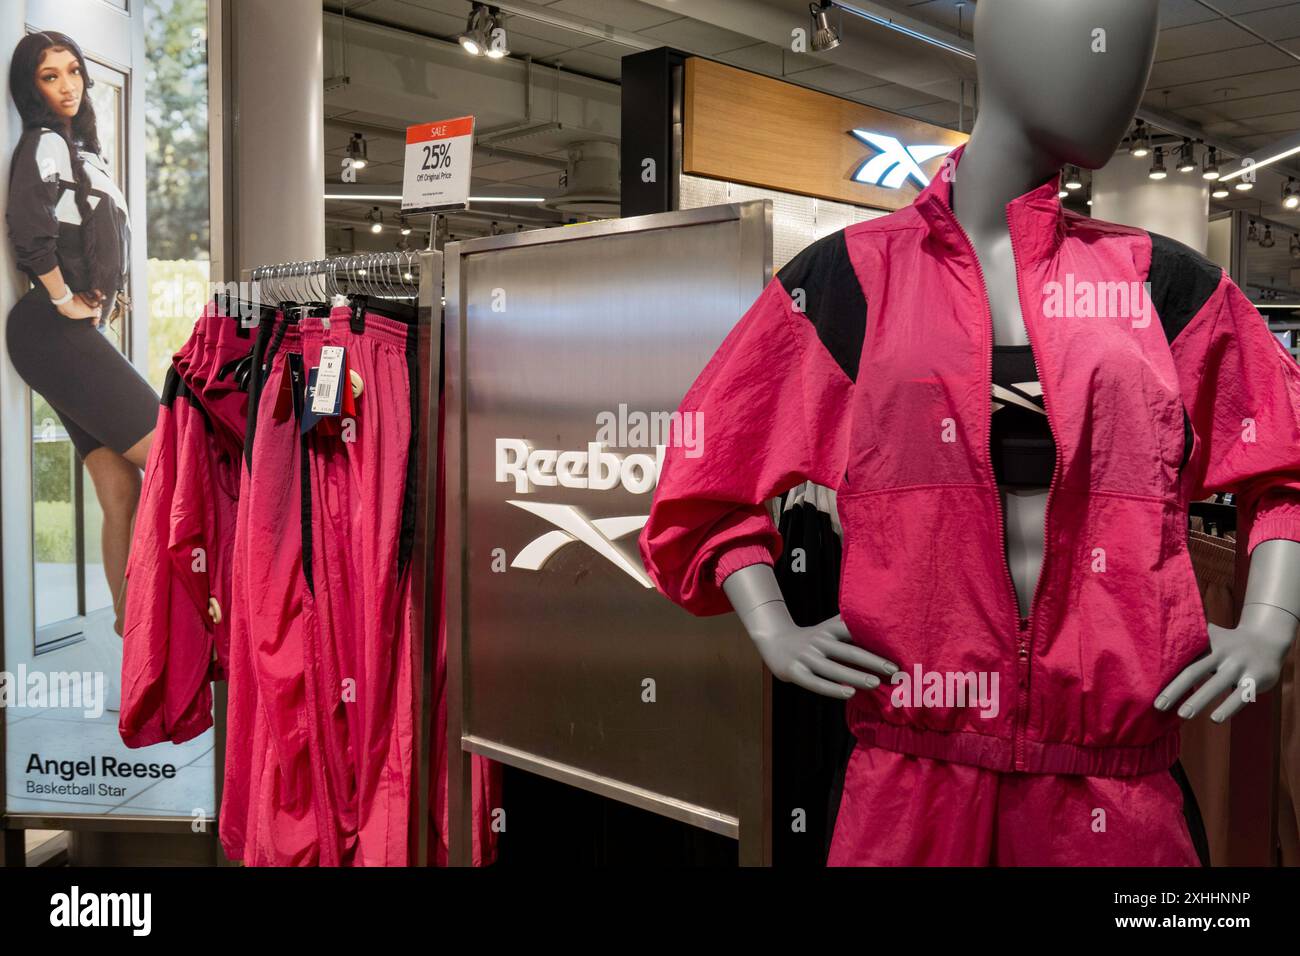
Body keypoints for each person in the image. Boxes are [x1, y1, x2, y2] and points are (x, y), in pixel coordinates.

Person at [6, 31, 159, 635]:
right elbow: (29, 230)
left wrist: (105, 299)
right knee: (176, 455)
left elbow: (95, 236)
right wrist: (65, 297)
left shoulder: (82, 150)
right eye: (51, 76)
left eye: (73, 71)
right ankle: (176, 611)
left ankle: (133, 629)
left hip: (60, 337)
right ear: (31, 86)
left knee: (121, 487)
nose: (68, 85)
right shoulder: (42, 143)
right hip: (49, 330)